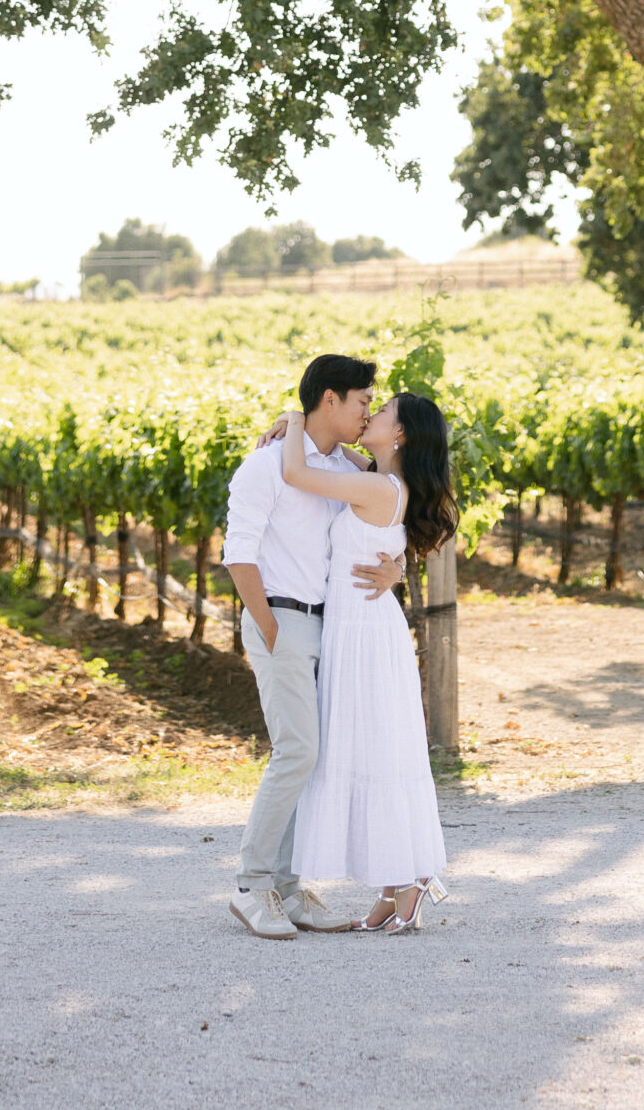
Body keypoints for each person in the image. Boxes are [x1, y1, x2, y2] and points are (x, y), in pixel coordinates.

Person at [223, 352, 406, 940]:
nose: (367, 412)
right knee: (298, 751)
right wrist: (268, 626)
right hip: (281, 619)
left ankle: (288, 886)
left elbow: (381, 518)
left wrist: (397, 567)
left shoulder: (331, 465)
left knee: (316, 757)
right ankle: (253, 886)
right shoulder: (268, 463)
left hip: (331, 626)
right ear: (330, 399)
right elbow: (238, 553)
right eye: (361, 402)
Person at [277, 388, 458, 933]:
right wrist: (399, 564)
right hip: (358, 630)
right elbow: (340, 457)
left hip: (363, 634)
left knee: (376, 751)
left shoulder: (378, 485)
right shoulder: (378, 477)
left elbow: (297, 475)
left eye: (382, 413)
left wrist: (291, 420)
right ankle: (395, 883)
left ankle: (407, 881)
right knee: (376, 750)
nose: (370, 415)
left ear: (399, 434)